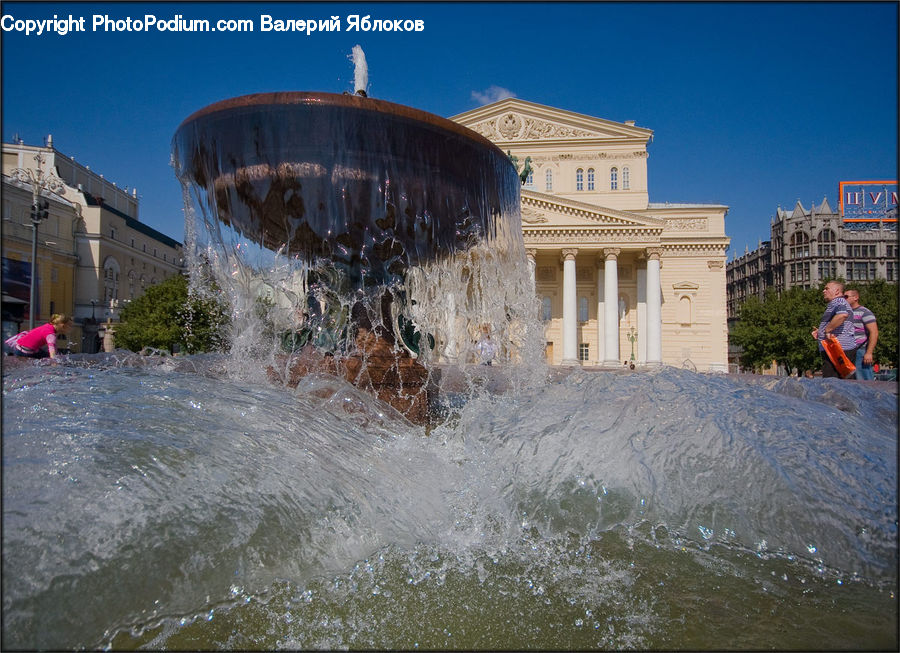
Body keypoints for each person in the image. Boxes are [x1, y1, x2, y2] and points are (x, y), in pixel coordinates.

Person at [810, 281, 857, 378]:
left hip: (837, 350)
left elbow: (842, 315)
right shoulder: (839, 303)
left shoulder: (838, 301)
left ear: (837, 291)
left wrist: (827, 330)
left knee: (833, 384)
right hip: (838, 349)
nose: (823, 291)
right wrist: (821, 332)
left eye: (827, 288)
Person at [843, 289, 878, 381]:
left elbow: (874, 332)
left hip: (860, 350)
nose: (844, 299)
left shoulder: (865, 312)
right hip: (847, 351)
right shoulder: (844, 313)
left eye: (846, 297)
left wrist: (869, 352)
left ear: (856, 297)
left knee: (864, 379)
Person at [3, 314, 73, 359]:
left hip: (20, 348)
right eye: (70, 326)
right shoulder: (51, 335)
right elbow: (52, 354)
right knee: (47, 359)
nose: (71, 328)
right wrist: (55, 366)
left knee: (45, 355)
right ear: (63, 326)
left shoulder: (48, 326)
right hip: (25, 353)